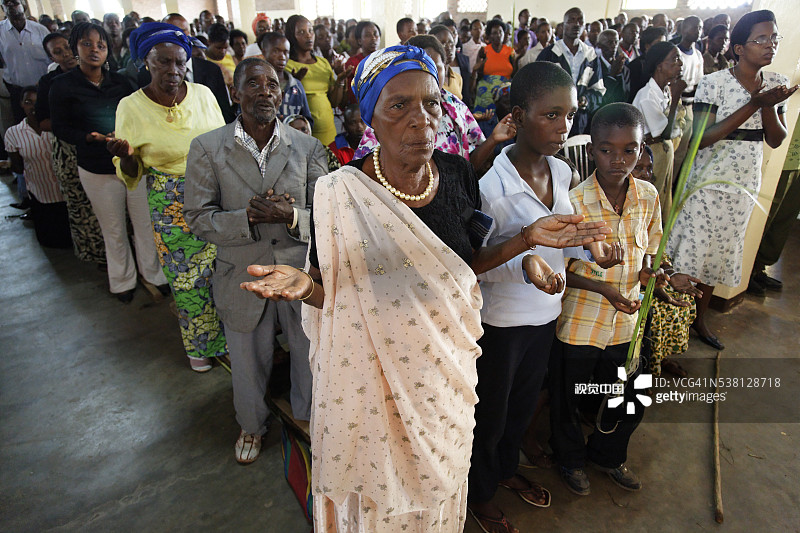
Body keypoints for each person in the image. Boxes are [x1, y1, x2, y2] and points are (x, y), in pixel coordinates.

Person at [240, 44, 610, 533]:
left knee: (437, 487)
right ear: (370, 116)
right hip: (377, 382)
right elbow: (333, 296)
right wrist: (305, 284)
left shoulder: (457, 174)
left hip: (444, 376)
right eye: (399, 106)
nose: (421, 120)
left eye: (432, 103)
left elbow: (466, 268)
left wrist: (526, 240)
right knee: (383, 491)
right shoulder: (340, 192)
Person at [467, 62, 623, 533]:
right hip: (502, 321)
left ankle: (505, 470)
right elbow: (477, 260)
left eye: (570, 116)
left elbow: (564, 233)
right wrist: (526, 264)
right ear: (519, 114)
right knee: (490, 415)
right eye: (551, 115)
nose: (563, 128)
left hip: (545, 315)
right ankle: (478, 493)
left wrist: (593, 247)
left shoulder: (559, 169)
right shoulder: (489, 183)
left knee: (522, 407)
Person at [184, 57, 327, 463]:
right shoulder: (208, 148)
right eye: (253, 83)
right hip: (241, 272)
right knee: (247, 360)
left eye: (272, 83)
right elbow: (197, 218)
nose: (264, 90)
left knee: (308, 354)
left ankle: (310, 418)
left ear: (281, 94)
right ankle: (251, 425)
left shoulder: (307, 147)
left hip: (298, 272)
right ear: (235, 92)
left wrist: (291, 216)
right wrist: (246, 217)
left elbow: (329, 215)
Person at [549, 103, 675, 497]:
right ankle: (569, 460)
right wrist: (602, 287)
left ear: (642, 150)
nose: (618, 160)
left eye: (630, 150)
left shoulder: (648, 197)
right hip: (582, 324)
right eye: (606, 150)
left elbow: (650, 254)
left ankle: (607, 454)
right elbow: (559, 271)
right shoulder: (573, 201)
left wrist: (653, 273)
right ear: (592, 150)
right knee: (568, 398)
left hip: (626, 325)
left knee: (632, 394)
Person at [666, 10, 797, 350]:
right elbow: (702, 138)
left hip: (743, 186)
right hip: (708, 184)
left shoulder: (775, 82)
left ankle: (699, 319)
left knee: (718, 256)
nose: (769, 46)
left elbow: (776, 139)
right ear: (739, 48)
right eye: (760, 39)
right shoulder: (714, 83)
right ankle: (667, 324)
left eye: (774, 38)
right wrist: (754, 103)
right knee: (691, 254)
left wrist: (768, 103)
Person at [107, 22, 228, 371]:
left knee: (224, 270)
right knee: (188, 277)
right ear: (147, 62)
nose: (173, 71)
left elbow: (224, 142)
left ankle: (232, 336)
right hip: (171, 200)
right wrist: (127, 155)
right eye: (163, 62)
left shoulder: (203, 94)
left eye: (179, 62)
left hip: (216, 192)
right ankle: (200, 346)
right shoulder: (131, 106)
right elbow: (130, 169)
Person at [50, 22, 167, 303]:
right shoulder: (62, 86)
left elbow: (139, 117)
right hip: (97, 167)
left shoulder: (121, 82)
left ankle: (153, 275)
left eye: (101, 45)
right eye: (87, 44)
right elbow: (60, 127)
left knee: (144, 224)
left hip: (131, 163)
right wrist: (88, 137)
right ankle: (123, 281)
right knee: (113, 227)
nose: (95, 50)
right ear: (75, 47)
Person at [354, 37, 516, 173]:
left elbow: (468, 164)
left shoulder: (456, 106)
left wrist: (493, 139)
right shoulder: (385, 118)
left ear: (445, 68)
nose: (422, 120)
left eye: (436, 66)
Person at [36, 32, 106, 264]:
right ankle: (96, 254)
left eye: (67, 48)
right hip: (69, 149)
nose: (66, 54)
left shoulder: (102, 75)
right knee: (82, 207)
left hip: (102, 148)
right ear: (51, 57)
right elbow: (43, 121)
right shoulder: (51, 83)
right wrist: (80, 128)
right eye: (58, 52)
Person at [5, 87, 71, 248]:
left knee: (70, 239)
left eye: (37, 102)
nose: (33, 107)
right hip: (40, 193)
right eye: (28, 102)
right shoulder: (14, 133)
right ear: (21, 104)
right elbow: (18, 168)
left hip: (66, 193)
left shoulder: (57, 127)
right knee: (49, 240)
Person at [632, 41, 685, 216]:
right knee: (649, 202)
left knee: (663, 198)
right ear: (660, 66)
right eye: (674, 59)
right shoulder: (647, 96)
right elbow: (666, 132)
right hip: (650, 157)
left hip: (663, 153)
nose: (680, 63)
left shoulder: (666, 91)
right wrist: (677, 97)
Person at [749, 115, 800, 295]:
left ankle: (760, 267)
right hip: (782, 160)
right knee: (766, 217)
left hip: (797, 162)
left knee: (784, 219)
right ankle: (749, 270)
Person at [154, 14, 235, 123]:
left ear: (190, 34)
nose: (176, 38)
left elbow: (224, 112)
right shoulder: (151, 74)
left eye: (182, 32)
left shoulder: (211, 70)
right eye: (169, 33)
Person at [537, 7, 605, 136]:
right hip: (553, 120)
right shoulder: (549, 54)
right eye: (572, 20)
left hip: (580, 122)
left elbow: (598, 90)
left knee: (575, 153)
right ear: (563, 25)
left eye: (580, 21)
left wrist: (586, 100)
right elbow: (537, 88)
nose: (576, 24)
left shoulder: (591, 56)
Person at [285, 14, 350, 146]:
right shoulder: (288, 65)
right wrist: (295, 83)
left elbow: (333, 102)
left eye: (310, 31)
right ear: (292, 36)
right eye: (301, 32)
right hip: (303, 133)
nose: (308, 35)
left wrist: (340, 80)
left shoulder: (323, 63)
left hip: (328, 131)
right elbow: (285, 104)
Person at [0, 0, 50, 124]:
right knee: (24, 126)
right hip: (17, 91)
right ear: (2, 7)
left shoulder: (40, 30)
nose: (11, 6)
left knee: (47, 123)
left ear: (24, 5)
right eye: (6, 3)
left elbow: (51, 58)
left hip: (43, 89)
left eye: (15, 2)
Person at [672, 16, 703, 180]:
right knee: (671, 148)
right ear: (683, 30)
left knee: (681, 152)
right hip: (674, 106)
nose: (699, 31)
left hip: (689, 106)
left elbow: (698, 83)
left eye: (700, 28)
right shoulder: (675, 52)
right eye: (695, 27)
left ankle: (671, 190)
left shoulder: (698, 55)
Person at [259, 32, 312, 125]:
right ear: (264, 52)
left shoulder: (296, 85)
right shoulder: (256, 86)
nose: (282, 57)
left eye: (285, 52)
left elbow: (307, 120)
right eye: (276, 51)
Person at [472, 19, 516, 123]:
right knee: (483, 90)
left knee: (507, 93)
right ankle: (485, 125)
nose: (498, 35)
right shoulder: (484, 50)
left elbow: (515, 72)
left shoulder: (510, 51)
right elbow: (478, 70)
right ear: (489, 36)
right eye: (494, 33)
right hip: (487, 83)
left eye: (500, 32)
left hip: (505, 84)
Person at [625, 26, 667, 104]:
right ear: (647, 46)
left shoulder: (660, 64)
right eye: (659, 43)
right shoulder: (636, 66)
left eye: (664, 43)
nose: (663, 47)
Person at [343, 21, 381, 105]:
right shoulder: (353, 63)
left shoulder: (386, 60)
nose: (373, 38)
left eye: (375, 34)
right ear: (359, 40)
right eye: (368, 35)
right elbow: (350, 95)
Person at [430, 24, 470, 103]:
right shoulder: (429, 78)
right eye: (443, 44)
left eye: (451, 43)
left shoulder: (457, 78)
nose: (449, 48)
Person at [596, 29, 628, 106]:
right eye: (609, 42)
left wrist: (619, 74)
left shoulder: (624, 68)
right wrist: (612, 75)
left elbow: (626, 95)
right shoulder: (595, 67)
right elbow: (600, 96)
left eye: (616, 42)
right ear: (600, 45)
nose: (614, 46)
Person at [205, 23, 236, 88]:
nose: (223, 52)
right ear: (209, 42)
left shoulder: (229, 57)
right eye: (219, 48)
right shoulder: (204, 61)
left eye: (225, 48)